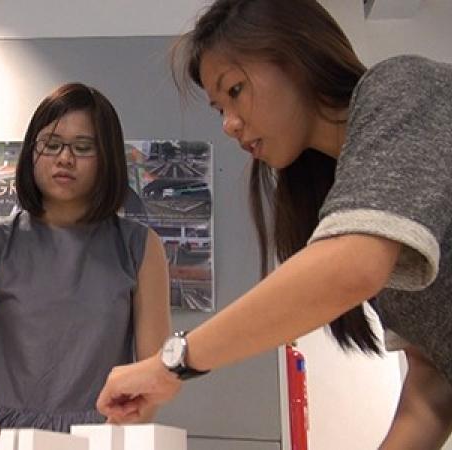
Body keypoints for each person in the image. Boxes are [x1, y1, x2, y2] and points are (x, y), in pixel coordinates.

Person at [96, 0, 452, 448]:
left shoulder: (403, 87)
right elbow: (433, 378)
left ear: (296, 55)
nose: (229, 125)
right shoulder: (344, 198)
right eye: (218, 108)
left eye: (235, 89)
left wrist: (173, 362)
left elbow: (352, 266)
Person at [0, 82, 171, 433]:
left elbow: (153, 374)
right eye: (51, 144)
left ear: (107, 156)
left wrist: (109, 437)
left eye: (83, 147)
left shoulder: (140, 247)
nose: (65, 158)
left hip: (97, 436)